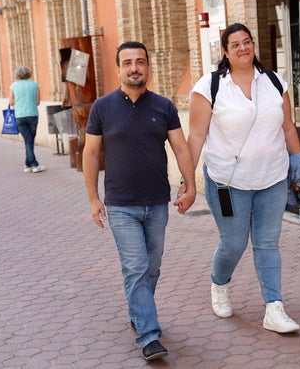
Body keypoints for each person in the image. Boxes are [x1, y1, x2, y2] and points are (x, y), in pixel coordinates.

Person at [82, 41, 196, 361]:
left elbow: (181, 148)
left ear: (148, 67)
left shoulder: (164, 106)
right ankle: (149, 335)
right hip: (120, 205)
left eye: (141, 62)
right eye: (128, 62)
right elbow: (91, 154)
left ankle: (138, 311)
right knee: (136, 267)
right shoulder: (102, 108)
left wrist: (191, 185)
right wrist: (93, 199)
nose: (135, 67)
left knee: (152, 269)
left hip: (157, 203)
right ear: (118, 69)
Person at [186, 23, 300, 333]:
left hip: (273, 178)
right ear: (225, 51)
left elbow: (288, 128)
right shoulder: (209, 86)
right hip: (226, 182)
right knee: (234, 243)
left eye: (247, 42)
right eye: (235, 44)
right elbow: (196, 136)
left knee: (267, 243)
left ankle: (274, 308)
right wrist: (187, 181)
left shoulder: (275, 82)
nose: (242, 48)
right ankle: (219, 284)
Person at [9, 66, 46, 173]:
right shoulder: (35, 85)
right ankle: (34, 164)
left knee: (28, 140)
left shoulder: (13, 86)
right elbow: (38, 102)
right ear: (28, 74)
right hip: (32, 115)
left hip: (19, 116)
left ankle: (27, 164)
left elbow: (11, 102)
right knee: (29, 140)